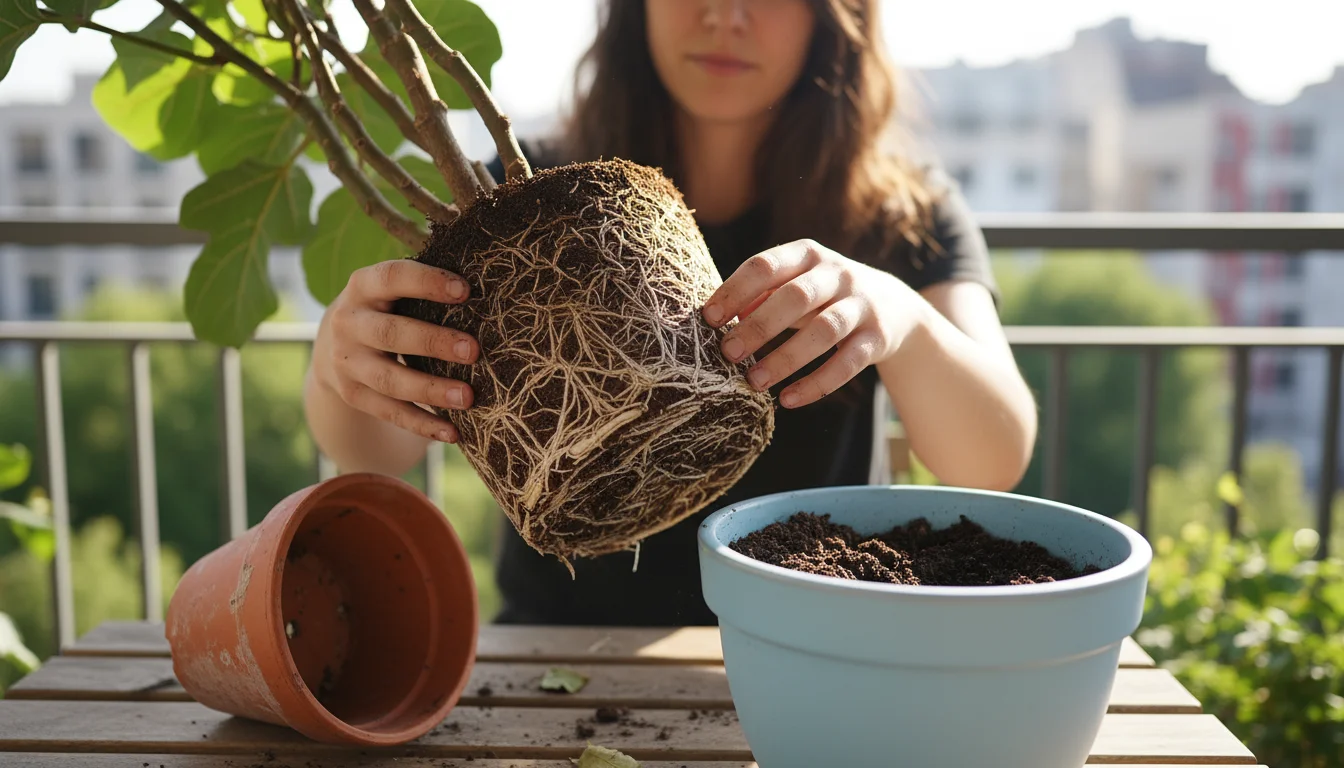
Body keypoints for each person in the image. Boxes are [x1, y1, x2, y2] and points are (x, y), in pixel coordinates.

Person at [303, 0, 1038, 626]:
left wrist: (900, 318)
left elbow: (994, 455)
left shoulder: (903, 216)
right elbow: (376, 453)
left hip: (808, 651)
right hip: (557, 654)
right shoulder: (517, 197)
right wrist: (342, 364)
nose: (725, 15)